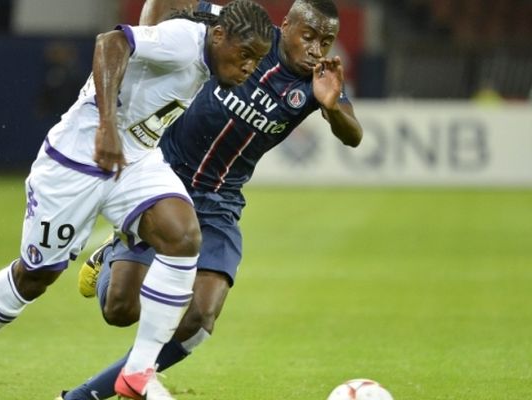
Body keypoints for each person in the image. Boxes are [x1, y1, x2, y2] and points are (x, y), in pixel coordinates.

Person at [0, 2, 273, 399]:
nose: (248, 68)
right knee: (36, 276)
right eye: (245, 56)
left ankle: (137, 371)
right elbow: (112, 41)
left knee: (183, 236)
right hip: (77, 161)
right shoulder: (185, 42)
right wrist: (106, 127)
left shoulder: (215, 37)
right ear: (220, 37)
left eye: (255, 60)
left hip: (135, 161)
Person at [58, 0, 363, 399]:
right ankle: (112, 256)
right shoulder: (246, 33)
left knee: (199, 319)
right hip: (164, 180)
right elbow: (165, 4)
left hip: (220, 200)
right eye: (308, 37)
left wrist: (331, 106)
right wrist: (149, 63)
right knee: (120, 310)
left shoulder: (319, 81)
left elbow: (353, 135)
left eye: (326, 42)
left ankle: (86, 395)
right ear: (284, 25)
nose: (316, 50)